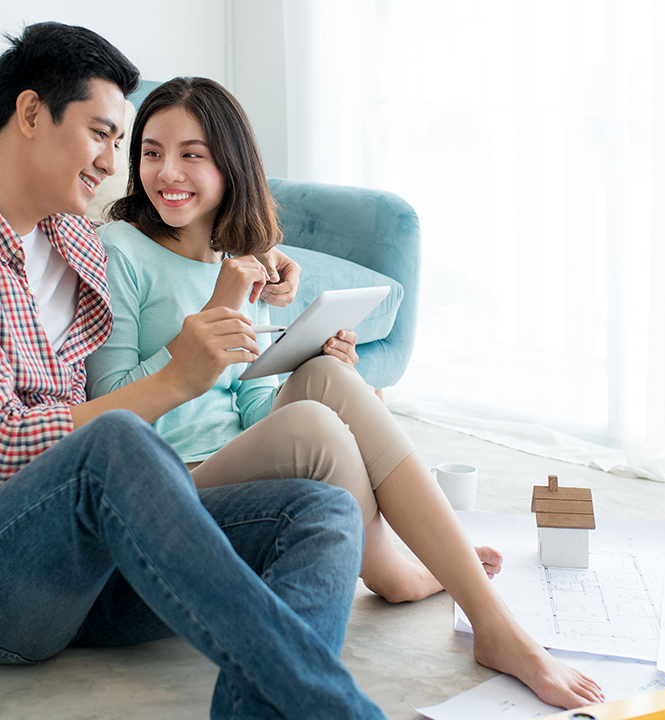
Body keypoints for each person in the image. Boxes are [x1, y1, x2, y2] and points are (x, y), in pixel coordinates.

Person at [0, 24, 388, 719]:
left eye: (116, 141)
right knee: (117, 441)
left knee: (322, 512)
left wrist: (266, 256)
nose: (113, 161)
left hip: (104, 564)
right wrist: (174, 380)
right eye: (102, 133)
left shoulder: (69, 232)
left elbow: (178, 239)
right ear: (32, 114)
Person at [85, 76, 605, 709]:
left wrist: (304, 357)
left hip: (237, 467)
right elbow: (108, 408)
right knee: (315, 426)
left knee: (331, 379)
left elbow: (250, 406)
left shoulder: (240, 265)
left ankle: (471, 611)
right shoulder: (121, 250)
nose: (168, 172)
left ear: (230, 165)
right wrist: (206, 329)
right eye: (151, 152)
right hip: (165, 483)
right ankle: (409, 579)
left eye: (192, 153)